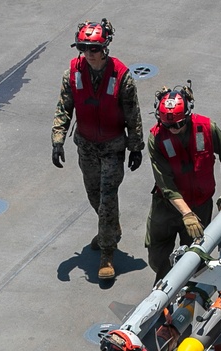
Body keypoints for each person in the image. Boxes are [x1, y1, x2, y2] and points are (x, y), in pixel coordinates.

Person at [51, 19, 144, 281]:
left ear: (105, 48)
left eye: (94, 49)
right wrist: (58, 139)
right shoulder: (73, 72)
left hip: (113, 148)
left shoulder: (122, 76)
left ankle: (107, 254)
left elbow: (132, 114)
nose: (89, 54)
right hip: (86, 147)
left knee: (107, 198)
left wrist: (135, 147)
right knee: (94, 195)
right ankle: (110, 228)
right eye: (84, 48)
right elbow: (64, 107)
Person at [145, 83, 221, 282]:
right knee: (157, 259)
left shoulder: (208, 128)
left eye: (178, 124)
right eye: (168, 125)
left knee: (193, 257)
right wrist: (186, 213)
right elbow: (165, 183)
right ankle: (165, 282)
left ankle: (180, 292)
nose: (174, 129)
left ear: (189, 114)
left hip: (199, 204)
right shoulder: (156, 139)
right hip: (167, 207)